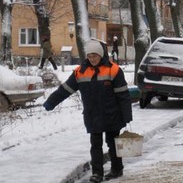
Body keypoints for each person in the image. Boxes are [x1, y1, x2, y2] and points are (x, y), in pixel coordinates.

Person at [43, 40, 132, 183]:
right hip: (92, 115)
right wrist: (51, 102)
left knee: (113, 142)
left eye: (95, 56)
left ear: (101, 55)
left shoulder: (113, 70)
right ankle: (97, 173)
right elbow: (65, 89)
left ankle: (117, 169)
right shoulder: (80, 72)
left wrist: (127, 115)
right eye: (89, 56)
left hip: (112, 114)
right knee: (95, 144)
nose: (92, 59)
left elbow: (123, 94)